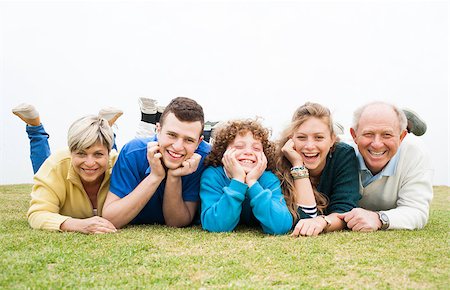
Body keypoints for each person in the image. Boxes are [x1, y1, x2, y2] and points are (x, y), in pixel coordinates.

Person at [102, 97, 211, 228]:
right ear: (158, 130)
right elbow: (111, 219)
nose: (177, 146)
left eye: (189, 140)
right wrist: (155, 176)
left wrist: (174, 176)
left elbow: (176, 223)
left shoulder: (205, 158)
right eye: (172, 135)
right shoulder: (133, 152)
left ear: (199, 142)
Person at [12, 103, 123, 234]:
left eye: (98, 154)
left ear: (108, 153)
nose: (89, 163)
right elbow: (38, 214)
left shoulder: (119, 164)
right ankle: (34, 126)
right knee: (41, 166)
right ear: (71, 152)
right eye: (81, 154)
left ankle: (104, 126)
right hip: (58, 166)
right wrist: (77, 225)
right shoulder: (56, 165)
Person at [338, 102, 433, 231]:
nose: (377, 144)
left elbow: (416, 210)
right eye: (368, 134)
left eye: (387, 135)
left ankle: (398, 120)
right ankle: (333, 128)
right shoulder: (341, 151)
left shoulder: (416, 153)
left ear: (401, 137)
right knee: (324, 139)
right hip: (339, 140)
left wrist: (379, 218)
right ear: (354, 136)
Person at [275, 102, 361, 237]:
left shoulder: (343, 156)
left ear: (332, 139)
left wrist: (322, 222)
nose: (310, 146)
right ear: (291, 139)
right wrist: (297, 165)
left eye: (319, 137)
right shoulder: (279, 161)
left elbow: (345, 210)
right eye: (301, 137)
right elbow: (301, 218)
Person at [200, 119, 293, 235]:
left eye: (256, 148)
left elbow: (281, 226)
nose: (248, 152)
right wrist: (238, 180)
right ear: (224, 151)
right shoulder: (213, 176)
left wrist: (252, 182)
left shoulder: (268, 179)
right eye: (239, 147)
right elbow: (215, 225)